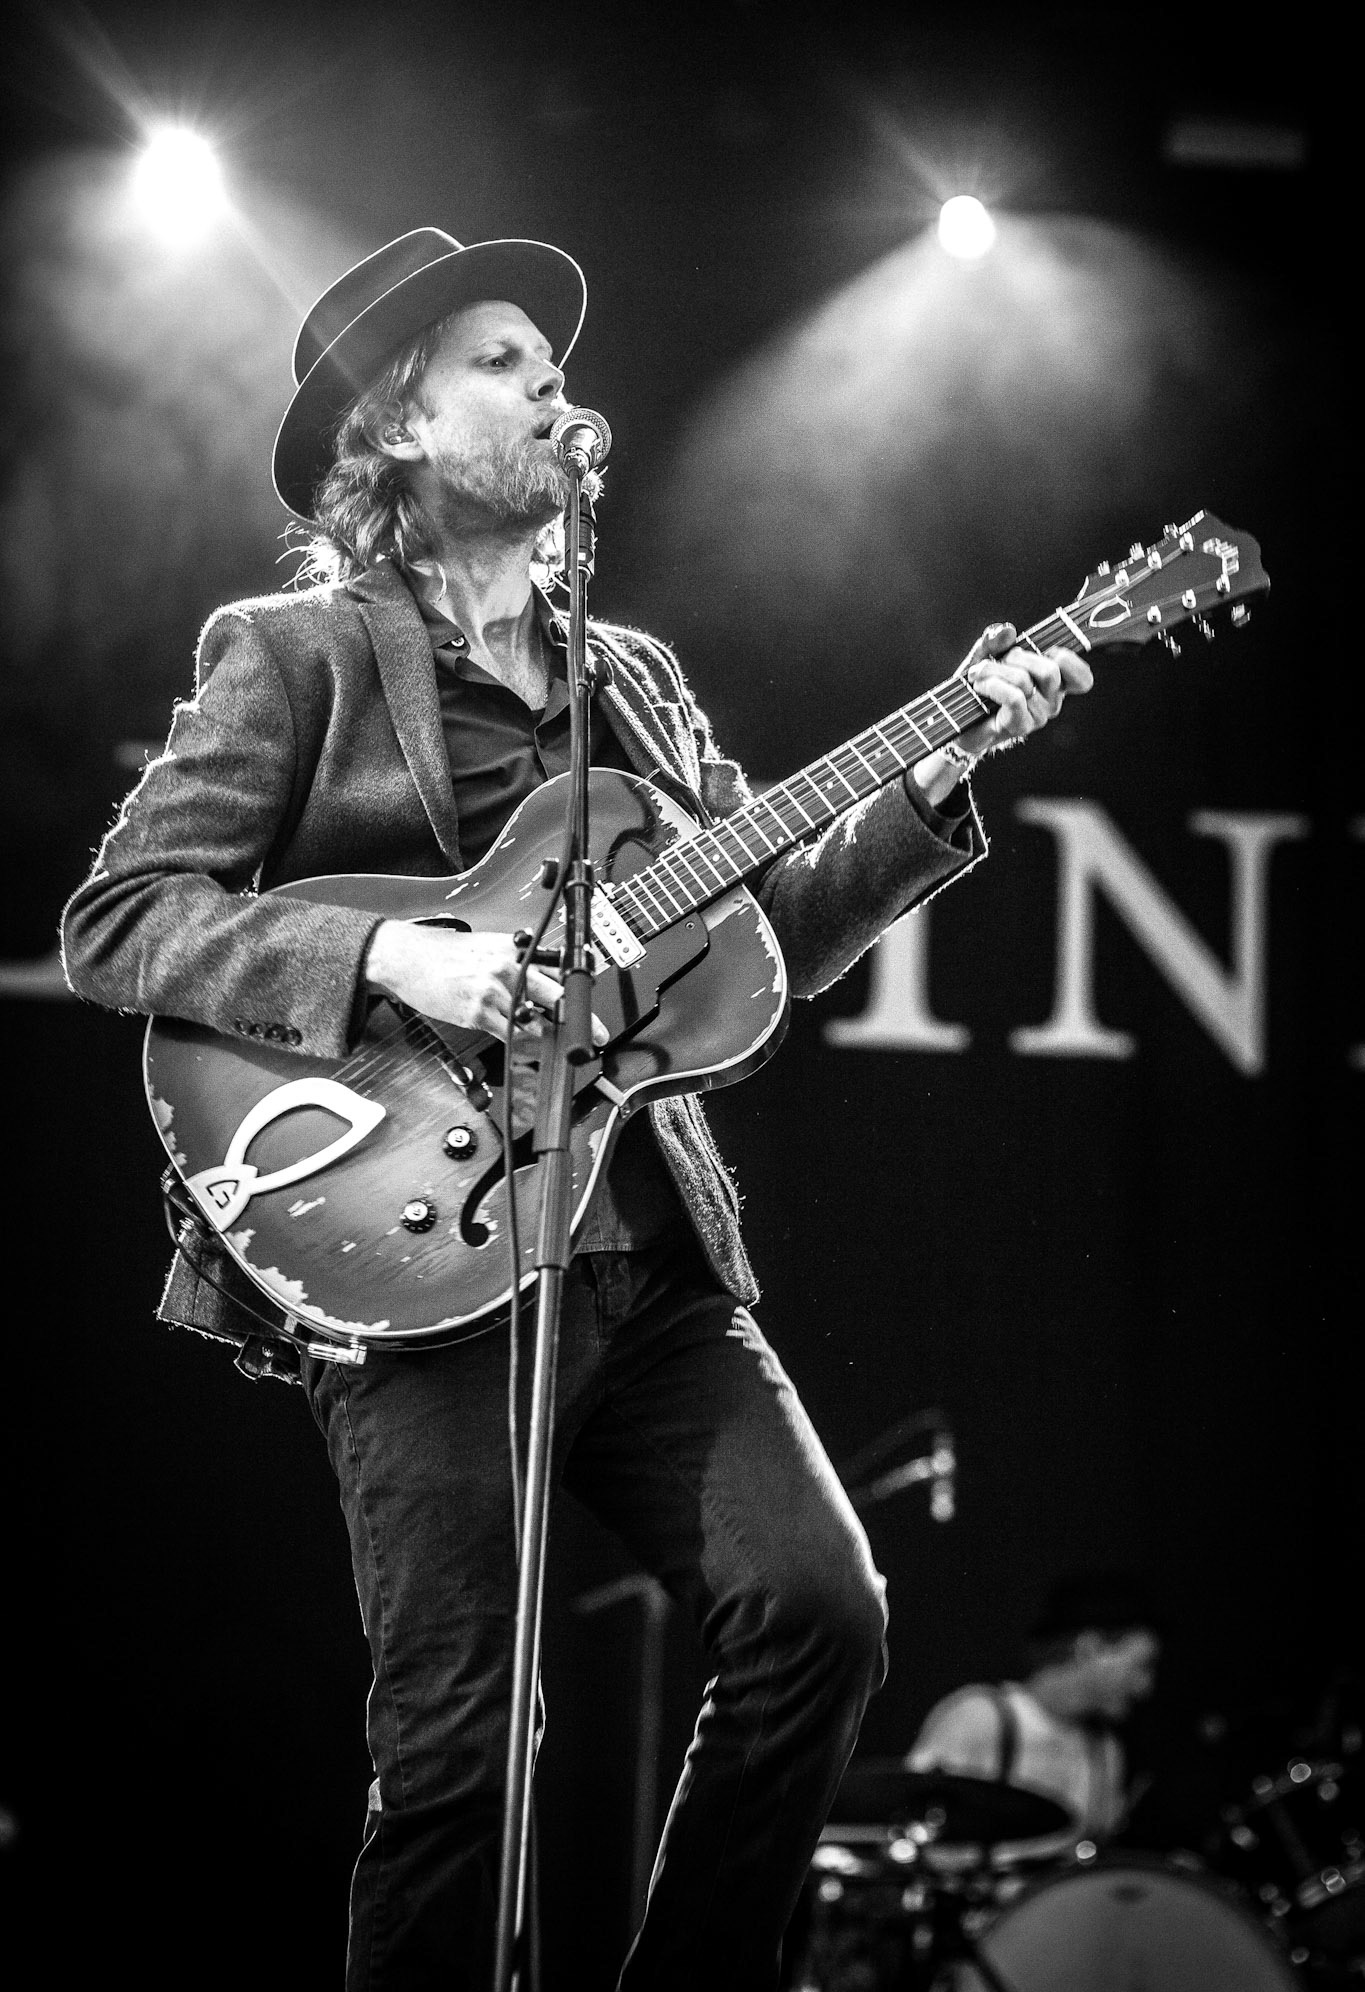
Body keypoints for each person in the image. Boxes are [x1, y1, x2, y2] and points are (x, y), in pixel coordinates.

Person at [60, 226, 1091, 1991]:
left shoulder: (637, 680)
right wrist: (401, 958)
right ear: (396, 427)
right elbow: (122, 920)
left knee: (821, 1613)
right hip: (416, 1258)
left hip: (640, 1246)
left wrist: (938, 771)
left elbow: (765, 939)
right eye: (505, 365)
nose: (557, 393)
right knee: (464, 1750)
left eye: (557, 369)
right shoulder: (295, 654)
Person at [905, 1572, 1162, 1868]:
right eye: (1141, 1666)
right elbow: (916, 1827)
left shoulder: (1106, 1749)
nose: (1145, 1687)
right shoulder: (981, 1716)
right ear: (1090, 1647)